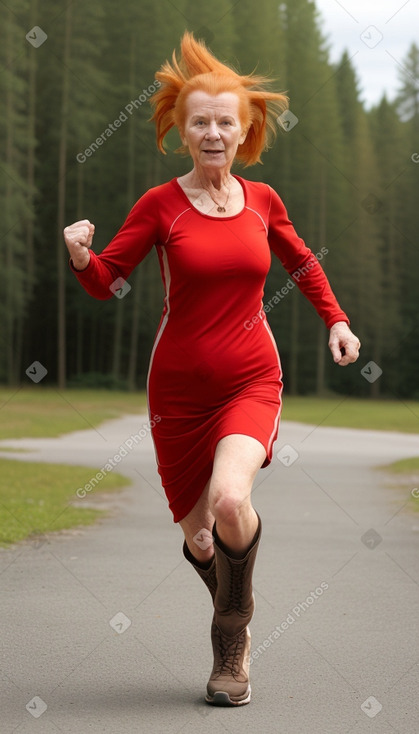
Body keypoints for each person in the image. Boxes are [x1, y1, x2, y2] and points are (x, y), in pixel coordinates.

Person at [63, 31, 361, 707]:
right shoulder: (160, 205)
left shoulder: (263, 202)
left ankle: (231, 637)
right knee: (201, 539)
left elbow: (301, 263)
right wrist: (82, 256)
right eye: (199, 120)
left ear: (245, 127)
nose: (212, 132)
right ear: (180, 127)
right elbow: (109, 277)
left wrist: (336, 320)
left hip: (250, 379)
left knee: (232, 501)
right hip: (176, 392)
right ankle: (239, 608)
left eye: (225, 120)